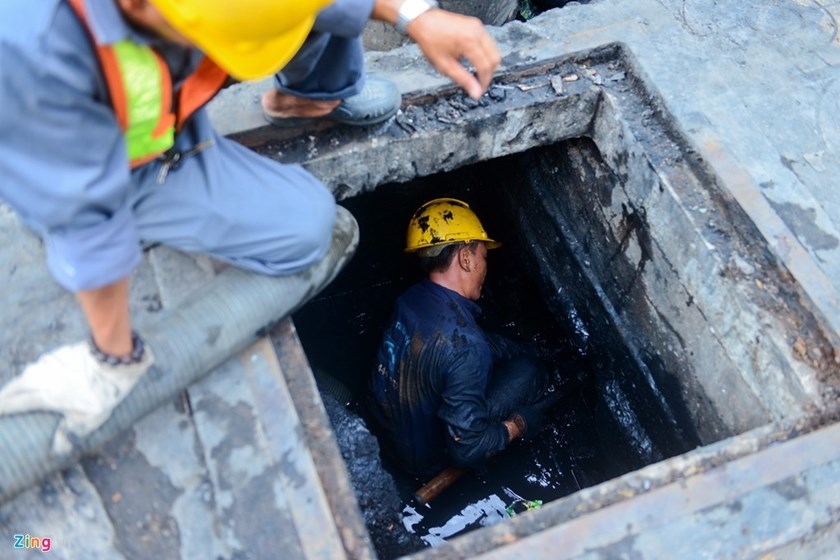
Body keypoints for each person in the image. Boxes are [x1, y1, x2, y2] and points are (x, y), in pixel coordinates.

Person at [0, 0, 501, 445]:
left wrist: (418, 16)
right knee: (313, 227)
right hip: (129, 161)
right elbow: (89, 227)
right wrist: (111, 361)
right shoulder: (38, 65)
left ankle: (313, 96)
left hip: (168, 92)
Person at [368, 198, 560, 480]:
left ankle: (536, 350)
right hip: (429, 460)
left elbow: (463, 345)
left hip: (390, 436)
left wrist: (521, 347)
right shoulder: (467, 346)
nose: (484, 266)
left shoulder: (409, 300)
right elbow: (466, 450)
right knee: (530, 372)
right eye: (484, 257)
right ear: (466, 258)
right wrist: (518, 424)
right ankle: (544, 365)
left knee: (503, 348)